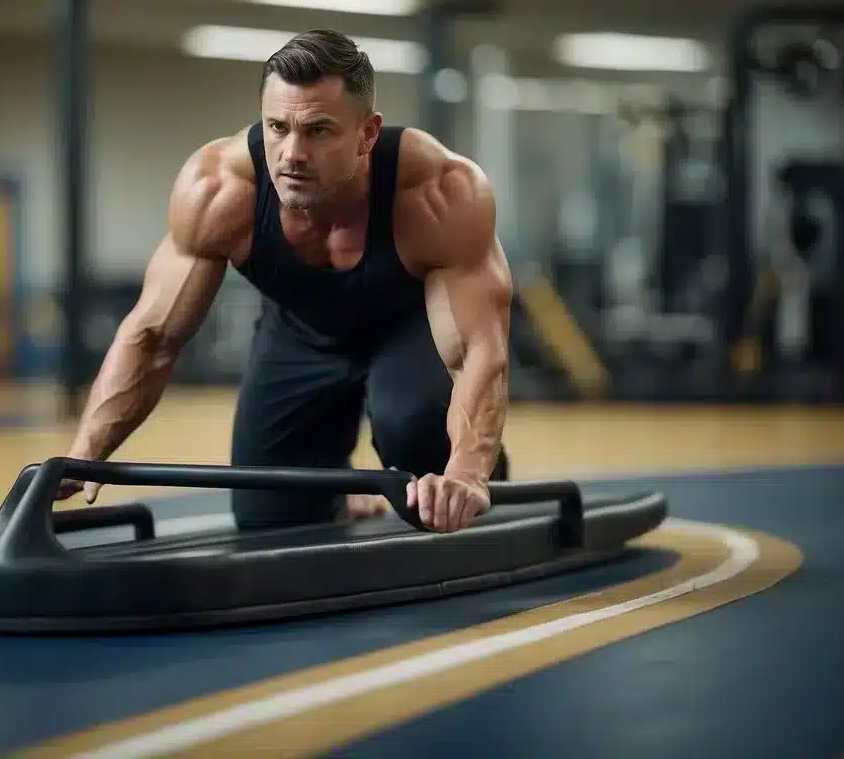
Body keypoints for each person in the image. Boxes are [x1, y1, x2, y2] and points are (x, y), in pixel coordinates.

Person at [58, 29, 513, 533]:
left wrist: (467, 472)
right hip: (301, 331)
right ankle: (338, 489)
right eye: (277, 127)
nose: (292, 153)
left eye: (318, 131)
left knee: (417, 454)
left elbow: (478, 352)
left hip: (413, 331)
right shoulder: (218, 190)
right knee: (268, 517)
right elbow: (153, 339)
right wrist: (86, 452)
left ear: (367, 134)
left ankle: (485, 470)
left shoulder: (438, 193)